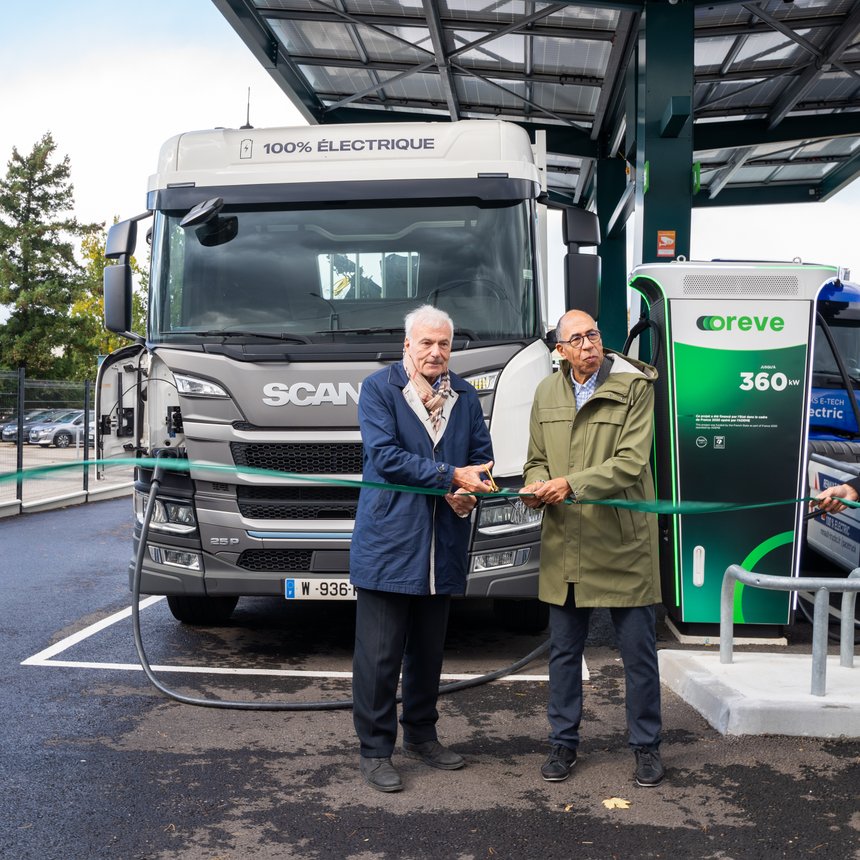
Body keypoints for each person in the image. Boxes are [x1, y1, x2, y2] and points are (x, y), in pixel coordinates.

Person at [349, 304, 495, 793]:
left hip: (443, 542)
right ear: (406, 345)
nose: (437, 352)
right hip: (391, 542)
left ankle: (423, 737)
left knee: (429, 652)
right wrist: (449, 475)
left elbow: (480, 457)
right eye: (427, 343)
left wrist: (469, 490)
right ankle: (374, 751)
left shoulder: (466, 396)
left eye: (445, 344)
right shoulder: (378, 389)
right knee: (380, 655)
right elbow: (385, 456)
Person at [520, 309, 664, 788]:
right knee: (563, 653)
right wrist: (537, 484)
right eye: (577, 338)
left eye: (594, 334)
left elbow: (629, 464)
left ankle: (646, 747)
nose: (588, 344)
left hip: (623, 542)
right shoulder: (545, 393)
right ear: (560, 350)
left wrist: (568, 484)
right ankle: (563, 743)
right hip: (567, 542)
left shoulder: (634, 387)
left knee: (638, 654)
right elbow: (536, 459)